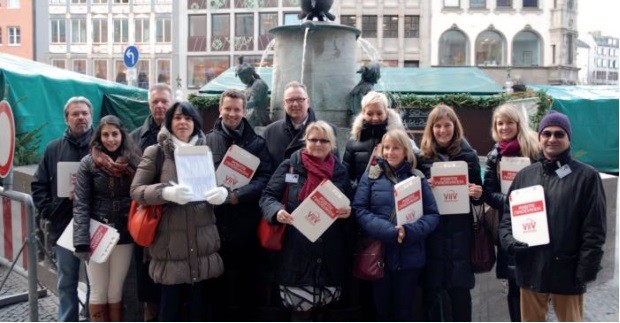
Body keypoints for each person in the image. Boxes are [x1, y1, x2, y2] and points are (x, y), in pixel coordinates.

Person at [499, 111, 606, 322]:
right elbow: (507, 218)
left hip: (568, 272)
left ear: (568, 138)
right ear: (539, 138)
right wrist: (510, 242)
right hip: (531, 269)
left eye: (559, 134)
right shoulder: (525, 175)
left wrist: (585, 272)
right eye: (546, 133)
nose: (552, 139)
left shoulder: (587, 177)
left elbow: (594, 230)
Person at [130, 101, 228, 321]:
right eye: (177, 117)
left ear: (195, 123)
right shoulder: (156, 152)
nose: (183, 122)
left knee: (198, 308)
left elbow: (215, 184)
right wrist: (165, 193)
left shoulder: (204, 150)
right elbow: (136, 190)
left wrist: (222, 192)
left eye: (188, 118)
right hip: (170, 245)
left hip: (202, 241)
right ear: (169, 122)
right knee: (170, 307)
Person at [259, 121, 352, 321]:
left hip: (329, 255)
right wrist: (277, 212)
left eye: (324, 140)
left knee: (325, 311)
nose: (318, 144)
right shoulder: (290, 165)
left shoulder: (340, 171)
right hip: (295, 253)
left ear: (332, 144)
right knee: (299, 311)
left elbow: (350, 203)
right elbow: (267, 196)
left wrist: (348, 212)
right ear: (305, 141)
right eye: (313, 139)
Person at [352, 129, 440, 321]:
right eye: (387, 148)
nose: (390, 152)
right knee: (380, 310)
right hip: (379, 254)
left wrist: (409, 231)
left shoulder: (417, 177)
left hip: (409, 257)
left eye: (396, 148)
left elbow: (432, 215)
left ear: (405, 151)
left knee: (404, 311)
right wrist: (389, 232)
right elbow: (359, 209)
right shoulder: (371, 176)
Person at [204, 89, 273, 320]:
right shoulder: (206, 140)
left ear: (244, 111)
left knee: (248, 283)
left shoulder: (257, 143)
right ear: (220, 110)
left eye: (237, 109)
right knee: (215, 284)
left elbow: (265, 178)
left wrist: (238, 195)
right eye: (228, 109)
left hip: (246, 224)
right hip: (214, 224)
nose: (232, 114)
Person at [416, 104, 484, 321]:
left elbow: (479, 196)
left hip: (460, 232)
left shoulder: (469, 156)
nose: (443, 130)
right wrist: (424, 186)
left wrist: (476, 192)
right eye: (438, 126)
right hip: (433, 231)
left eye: (447, 125)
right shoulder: (422, 156)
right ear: (431, 128)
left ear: (455, 127)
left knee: (460, 291)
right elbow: (417, 196)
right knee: (434, 290)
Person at [72, 115, 141, 321]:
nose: (110, 139)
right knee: (98, 289)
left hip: (124, 232)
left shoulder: (134, 161)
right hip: (96, 233)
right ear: (99, 137)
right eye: (105, 135)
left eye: (115, 134)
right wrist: (81, 241)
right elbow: (81, 203)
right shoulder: (88, 163)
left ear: (122, 135)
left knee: (115, 290)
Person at [31, 96, 94, 322]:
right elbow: (38, 186)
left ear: (91, 116)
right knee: (66, 281)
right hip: (64, 225)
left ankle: (91, 317)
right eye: (75, 114)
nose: (80, 118)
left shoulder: (102, 145)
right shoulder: (53, 148)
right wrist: (50, 210)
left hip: (95, 224)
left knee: (96, 283)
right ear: (66, 119)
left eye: (84, 113)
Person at [482, 103, 540, 322]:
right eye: (500, 123)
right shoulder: (494, 155)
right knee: (513, 283)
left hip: (535, 222)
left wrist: (529, 200)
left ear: (518, 124)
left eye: (509, 122)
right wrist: (513, 201)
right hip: (508, 227)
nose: (504, 127)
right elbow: (489, 193)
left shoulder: (535, 150)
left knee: (535, 281)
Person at [129, 83, 173, 321]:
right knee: (148, 280)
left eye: (164, 101)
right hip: (146, 216)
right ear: (149, 104)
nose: (159, 106)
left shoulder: (183, 133)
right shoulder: (135, 137)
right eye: (155, 101)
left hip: (175, 215)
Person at [262, 81, 338, 168]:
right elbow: (264, 169)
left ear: (308, 102)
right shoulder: (270, 132)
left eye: (300, 99)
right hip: (278, 180)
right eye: (290, 100)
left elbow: (334, 168)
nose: (295, 104)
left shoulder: (328, 131)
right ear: (284, 104)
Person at [343, 91, 409, 190]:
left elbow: (410, 165)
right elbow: (347, 174)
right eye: (370, 113)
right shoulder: (353, 141)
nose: (375, 118)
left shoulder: (399, 138)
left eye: (379, 113)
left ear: (386, 112)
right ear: (363, 112)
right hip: (362, 196)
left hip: (392, 195)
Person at [236, 60, 270, 127]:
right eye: (240, 77)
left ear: (249, 74)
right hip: (250, 118)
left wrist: (236, 106)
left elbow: (252, 103)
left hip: (258, 120)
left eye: (243, 77)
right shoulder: (249, 86)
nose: (242, 79)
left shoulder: (259, 84)